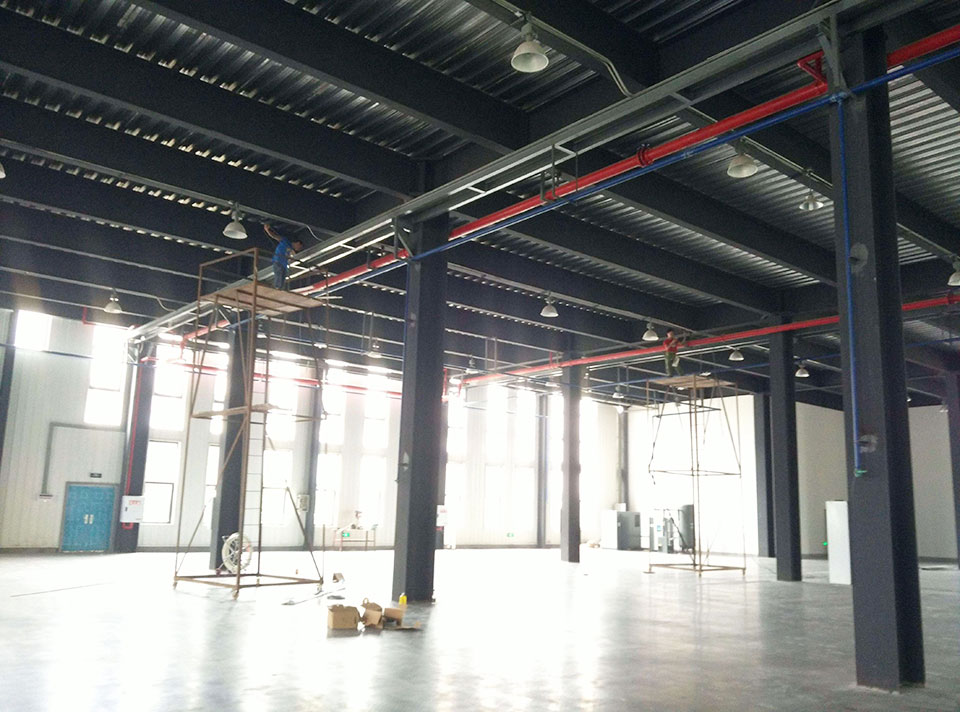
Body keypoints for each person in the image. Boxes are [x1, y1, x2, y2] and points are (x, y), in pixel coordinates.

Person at [264, 224, 303, 290]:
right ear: (298, 243)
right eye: (300, 247)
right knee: (279, 276)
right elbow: (274, 236)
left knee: (282, 278)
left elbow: (293, 256)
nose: (298, 249)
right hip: (278, 261)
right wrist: (267, 230)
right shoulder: (285, 241)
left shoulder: (291, 249)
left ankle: (279, 289)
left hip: (284, 264)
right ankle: (277, 288)